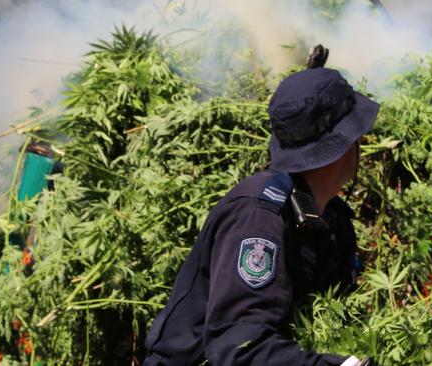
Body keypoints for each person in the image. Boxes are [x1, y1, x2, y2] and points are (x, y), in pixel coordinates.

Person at [144, 52, 380, 366]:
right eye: (357, 134)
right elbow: (240, 347)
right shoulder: (258, 217)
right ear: (342, 146)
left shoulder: (333, 219)